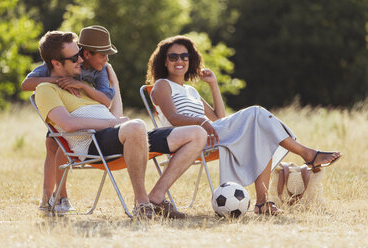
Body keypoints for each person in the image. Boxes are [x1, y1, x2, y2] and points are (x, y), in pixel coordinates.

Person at [145, 35, 341, 215]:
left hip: (211, 134)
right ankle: (307, 154)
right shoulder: (162, 85)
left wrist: (213, 85)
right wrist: (201, 121)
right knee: (256, 113)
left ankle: (263, 202)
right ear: (164, 61)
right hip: (188, 138)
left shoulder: (191, 91)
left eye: (184, 56)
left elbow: (218, 118)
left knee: (261, 132)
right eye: (173, 57)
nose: (179, 61)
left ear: (190, 59)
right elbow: (173, 117)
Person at [34, 31, 207, 219]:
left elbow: (115, 114)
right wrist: (114, 123)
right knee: (136, 126)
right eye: (75, 57)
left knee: (197, 133)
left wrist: (114, 82)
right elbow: (67, 124)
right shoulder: (45, 89)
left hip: (119, 136)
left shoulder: (80, 86)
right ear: (56, 63)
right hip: (91, 145)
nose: (81, 60)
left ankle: (156, 197)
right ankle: (142, 204)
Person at [21, 26, 123, 213]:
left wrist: (81, 85)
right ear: (86, 52)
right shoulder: (65, 61)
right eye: (102, 55)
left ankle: (58, 197)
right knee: (53, 145)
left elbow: (107, 100)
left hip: (85, 110)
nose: (106, 60)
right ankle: (50, 197)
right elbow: (26, 84)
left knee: (59, 145)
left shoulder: (101, 70)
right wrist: (58, 81)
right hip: (66, 110)